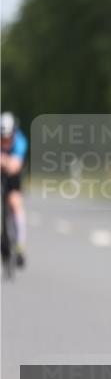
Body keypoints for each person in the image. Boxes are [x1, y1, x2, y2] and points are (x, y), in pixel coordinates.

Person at [1, 112, 28, 267]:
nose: (5, 141)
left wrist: (5, 161)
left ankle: (20, 246)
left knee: (15, 202)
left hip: (13, 175)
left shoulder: (20, 140)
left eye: (8, 137)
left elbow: (14, 166)